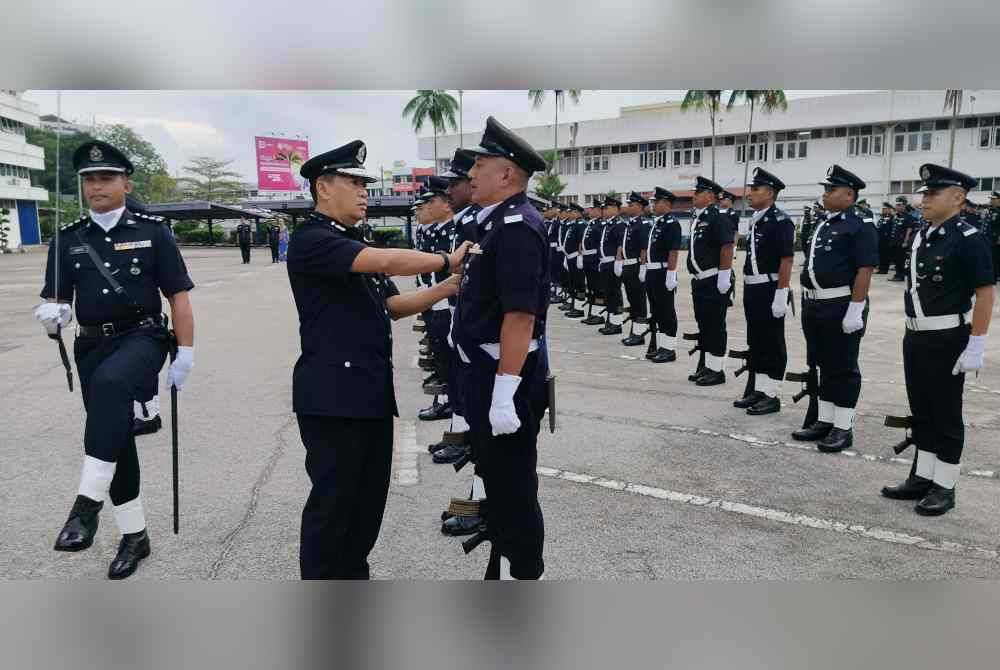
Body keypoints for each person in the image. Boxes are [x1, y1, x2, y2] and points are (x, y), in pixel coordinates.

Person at [286, 139, 470, 579]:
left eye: (364, 182)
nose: (364, 190)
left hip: (368, 392)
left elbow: (392, 306)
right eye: (354, 182)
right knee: (333, 501)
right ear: (323, 187)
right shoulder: (313, 239)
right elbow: (388, 259)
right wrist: (445, 259)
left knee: (367, 498)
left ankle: (353, 572)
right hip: (331, 398)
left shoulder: (351, 241)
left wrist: (447, 288)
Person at [34, 140, 195, 579]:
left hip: (142, 338)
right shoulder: (68, 240)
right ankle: (135, 535)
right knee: (116, 437)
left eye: (105, 177)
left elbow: (177, 295)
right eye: (89, 179)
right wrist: (52, 317)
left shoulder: (152, 230)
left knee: (110, 388)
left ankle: (86, 506)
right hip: (90, 346)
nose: (96, 186)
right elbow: (57, 301)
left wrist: (186, 351)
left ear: (126, 182)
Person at [454, 116, 550, 580]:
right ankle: (504, 563)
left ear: (507, 173)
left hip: (502, 376)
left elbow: (520, 316)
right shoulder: (498, 224)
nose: (471, 173)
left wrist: (505, 391)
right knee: (499, 479)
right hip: (486, 372)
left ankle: (521, 572)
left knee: (513, 487)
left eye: (480, 163)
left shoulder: (516, 226)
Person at [881, 164, 994, 515]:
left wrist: (976, 343)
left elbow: (985, 293)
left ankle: (944, 485)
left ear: (958, 198)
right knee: (923, 411)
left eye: (933, 193)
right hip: (916, 336)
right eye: (924, 192)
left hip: (948, 337)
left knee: (946, 414)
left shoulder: (969, 238)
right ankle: (922, 476)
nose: (924, 198)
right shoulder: (922, 234)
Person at [791, 165, 877, 452]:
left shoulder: (859, 225)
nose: (825, 194)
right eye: (825, 189)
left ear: (849, 194)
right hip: (815, 303)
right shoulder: (824, 223)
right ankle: (824, 421)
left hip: (840, 303)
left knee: (843, 366)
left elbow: (865, 269)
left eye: (831, 190)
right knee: (822, 363)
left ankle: (843, 426)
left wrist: (856, 307)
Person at [733, 168, 795, 416]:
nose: (750, 194)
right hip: (754, 288)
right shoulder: (758, 219)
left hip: (771, 288)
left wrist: (782, 292)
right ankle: (759, 390)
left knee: (772, 342)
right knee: (757, 341)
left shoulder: (780, 220)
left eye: (755, 189)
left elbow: (786, 259)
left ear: (770, 193)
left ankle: (772, 394)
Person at [687, 176, 736, 386]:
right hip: (700, 281)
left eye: (698, 193)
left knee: (715, 327)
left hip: (714, 279)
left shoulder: (718, 217)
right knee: (704, 326)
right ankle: (707, 366)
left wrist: (725, 275)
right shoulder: (700, 218)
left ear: (709, 196)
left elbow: (727, 246)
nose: (694, 196)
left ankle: (717, 371)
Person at [641, 187, 682, 363]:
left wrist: (671, 274)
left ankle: (669, 349)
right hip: (652, 271)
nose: (652, 205)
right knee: (656, 311)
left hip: (663, 272)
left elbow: (673, 251)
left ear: (665, 203)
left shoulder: (671, 223)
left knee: (666, 312)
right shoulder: (657, 222)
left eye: (655, 202)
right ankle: (660, 346)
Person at [619, 191, 650, 346]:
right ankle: (634, 331)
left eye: (630, 205)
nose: (628, 207)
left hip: (636, 266)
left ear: (638, 206)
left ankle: (639, 334)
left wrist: (643, 267)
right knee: (632, 300)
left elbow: (644, 248)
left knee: (639, 302)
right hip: (628, 266)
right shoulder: (630, 223)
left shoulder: (642, 224)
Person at [599, 196, 626, 335]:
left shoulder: (619, 224)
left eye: (607, 208)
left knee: (615, 293)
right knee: (608, 293)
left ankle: (617, 323)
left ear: (616, 208)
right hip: (605, 263)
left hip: (612, 263)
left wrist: (618, 262)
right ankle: (610, 320)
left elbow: (620, 245)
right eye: (603, 208)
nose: (604, 210)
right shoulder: (608, 224)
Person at [579, 199, 606, 325]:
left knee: (599, 288)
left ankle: (599, 314)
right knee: (591, 287)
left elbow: (600, 244)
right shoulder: (591, 223)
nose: (590, 211)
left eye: (593, 209)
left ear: (599, 211)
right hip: (588, 259)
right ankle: (593, 312)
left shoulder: (600, 225)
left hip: (595, 259)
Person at [876, 201, 895, 274]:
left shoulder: (892, 218)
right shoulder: (881, 218)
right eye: (883, 209)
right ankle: (881, 268)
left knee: (886, 255)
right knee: (881, 254)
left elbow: (892, 229)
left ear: (889, 209)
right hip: (880, 239)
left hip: (887, 239)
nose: (883, 210)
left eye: (885, 209)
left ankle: (884, 269)